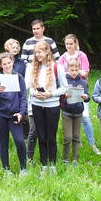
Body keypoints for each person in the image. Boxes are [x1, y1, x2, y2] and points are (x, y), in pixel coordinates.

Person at [25, 41, 67, 175]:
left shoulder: (57, 67)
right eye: (36, 52)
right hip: (37, 105)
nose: (37, 55)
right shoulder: (32, 68)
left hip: (52, 106)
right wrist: (34, 93)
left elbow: (64, 87)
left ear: (47, 52)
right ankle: (44, 165)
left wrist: (50, 94)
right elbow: (29, 87)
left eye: (40, 52)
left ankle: (53, 165)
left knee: (51, 136)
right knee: (41, 136)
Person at [58, 34, 101, 156]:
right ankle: (76, 142)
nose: (69, 46)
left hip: (81, 88)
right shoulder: (62, 57)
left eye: (71, 43)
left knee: (85, 117)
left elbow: (85, 73)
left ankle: (92, 143)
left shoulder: (82, 55)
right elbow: (61, 74)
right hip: (68, 89)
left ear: (76, 43)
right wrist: (76, 71)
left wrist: (74, 72)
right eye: (67, 44)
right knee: (69, 113)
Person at [0, 52, 28, 175]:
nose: (7, 66)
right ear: (0, 65)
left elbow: (23, 98)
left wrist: (21, 113)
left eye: (9, 63)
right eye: (4, 64)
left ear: (12, 62)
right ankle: (6, 169)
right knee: (3, 142)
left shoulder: (19, 77)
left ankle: (23, 168)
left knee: (20, 141)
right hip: (0, 113)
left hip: (15, 114)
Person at [60, 57, 89, 165]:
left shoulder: (82, 81)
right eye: (72, 70)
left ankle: (75, 158)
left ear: (79, 69)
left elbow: (88, 97)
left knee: (76, 137)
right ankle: (65, 158)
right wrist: (64, 96)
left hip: (78, 112)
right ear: (68, 69)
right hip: (67, 112)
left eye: (76, 70)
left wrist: (86, 97)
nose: (74, 72)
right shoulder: (64, 81)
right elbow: (59, 97)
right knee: (68, 137)